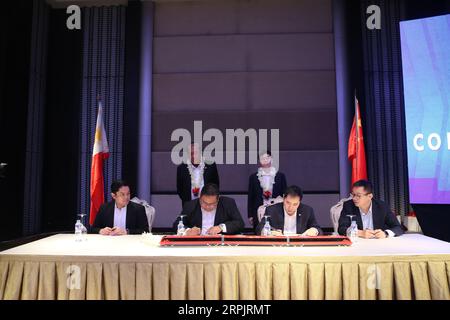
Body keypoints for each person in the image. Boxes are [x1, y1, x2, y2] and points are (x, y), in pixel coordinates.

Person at [338, 180, 404, 238]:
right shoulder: (348, 206)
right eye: (353, 195)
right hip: (358, 244)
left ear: (370, 196)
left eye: (358, 195)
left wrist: (385, 233)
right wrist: (360, 233)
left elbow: (398, 228)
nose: (354, 198)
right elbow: (341, 229)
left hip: (378, 244)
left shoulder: (382, 206)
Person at [173, 183, 244, 235]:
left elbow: (240, 223)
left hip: (220, 244)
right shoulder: (190, 205)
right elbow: (176, 224)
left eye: (212, 204)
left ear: (218, 200)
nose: (207, 207)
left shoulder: (228, 203)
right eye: (204, 203)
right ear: (200, 198)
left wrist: (221, 227)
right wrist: (188, 231)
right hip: (197, 244)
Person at [255, 185, 322, 236]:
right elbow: (259, 228)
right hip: (278, 245)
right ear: (284, 198)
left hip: (300, 246)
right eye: (288, 203)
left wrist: (314, 230)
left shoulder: (307, 211)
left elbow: (318, 229)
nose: (290, 207)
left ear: (299, 202)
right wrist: (269, 232)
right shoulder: (272, 210)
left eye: (295, 204)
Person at [248, 151, 287, 228]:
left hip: (276, 208)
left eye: (267, 157)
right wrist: (250, 215)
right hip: (259, 208)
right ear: (259, 160)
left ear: (271, 159)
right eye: (262, 158)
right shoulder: (253, 177)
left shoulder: (280, 176)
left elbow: (285, 194)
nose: (265, 160)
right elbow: (251, 197)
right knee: (259, 231)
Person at [177, 143, 219, 207]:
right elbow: (180, 190)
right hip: (189, 207)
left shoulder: (210, 166)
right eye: (191, 153)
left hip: (208, 205)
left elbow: (216, 185)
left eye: (196, 153)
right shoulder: (182, 169)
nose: (193, 156)